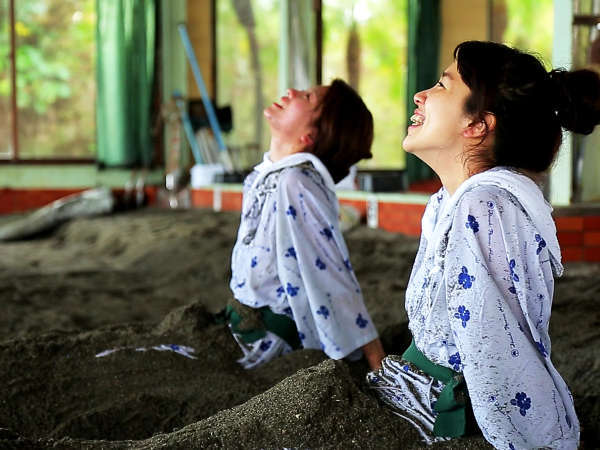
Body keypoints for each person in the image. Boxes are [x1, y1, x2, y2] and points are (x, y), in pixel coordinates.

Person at [367, 40, 600, 449]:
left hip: (441, 419)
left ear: (478, 125)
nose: (421, 95)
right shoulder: (450, 202)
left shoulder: (483, 207)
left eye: (442, 85)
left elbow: (495, 351)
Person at [227, 79, 385, 371]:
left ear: (311, 136)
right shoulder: (263, 177)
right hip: (238, 319)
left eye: (308, 97)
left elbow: (331, 268)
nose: (291, 92)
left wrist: (375, 358)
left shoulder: (297, 183)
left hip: (267, 337)